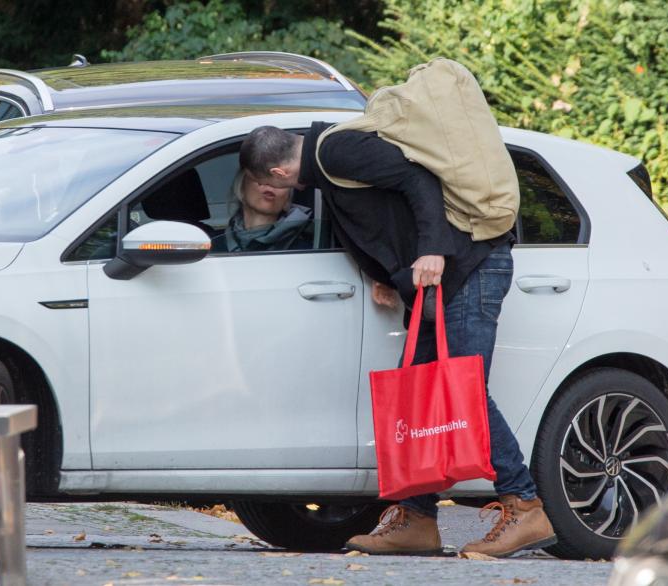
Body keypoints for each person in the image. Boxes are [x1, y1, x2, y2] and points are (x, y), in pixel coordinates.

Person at [238, 123, 556, 558]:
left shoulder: (336, 150)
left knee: (462, 391)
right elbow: (377, 216)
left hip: (470, 266)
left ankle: (525, 506)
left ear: (276, 172)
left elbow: (417, 180)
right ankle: (417, 519)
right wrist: (383, 275)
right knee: (420, 393)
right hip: (439, 279)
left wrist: (431, 250)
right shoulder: (327, 162)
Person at [211, 168, 313, 253]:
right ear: (241, 187)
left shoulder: (308, 248)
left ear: (287, 199)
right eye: (262, 173)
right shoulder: (210, 247)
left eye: (280, 178)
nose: (271, 183)